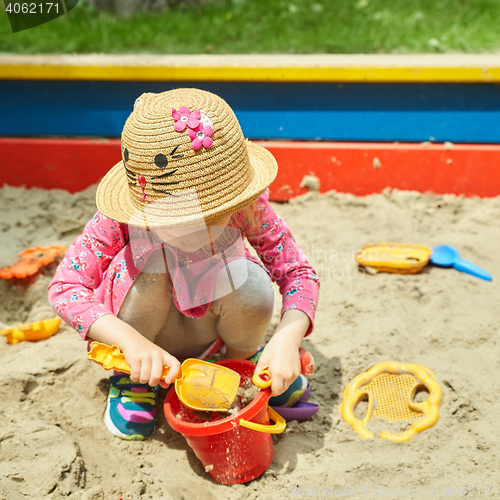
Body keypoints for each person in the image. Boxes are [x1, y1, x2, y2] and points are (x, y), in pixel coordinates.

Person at [48, 88, 320, 440]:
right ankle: (134, 379)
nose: (197, 236)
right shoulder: (122, 218)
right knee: (156, 263)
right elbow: (65, 288)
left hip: (208, 328)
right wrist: (130, 343)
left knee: (250, 280)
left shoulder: (247, 207)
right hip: (143, 333)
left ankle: (241, 364)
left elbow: (297, 272)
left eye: (211, 221)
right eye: (178, 223)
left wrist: (285, 338)